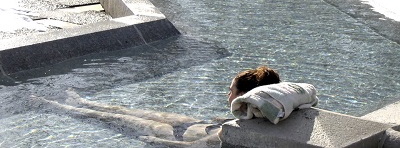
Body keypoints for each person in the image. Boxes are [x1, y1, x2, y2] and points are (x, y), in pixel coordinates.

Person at [32, 65, 280, 148]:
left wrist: (158, 142)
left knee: (102, 118)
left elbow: (192, 147)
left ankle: (54, 106)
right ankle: (82, 101)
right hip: (191, 124)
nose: (227, 95)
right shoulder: (264, 113)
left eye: (231, 91)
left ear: (245, 96)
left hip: (167, 132)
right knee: (122, 110)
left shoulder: (242, 129)